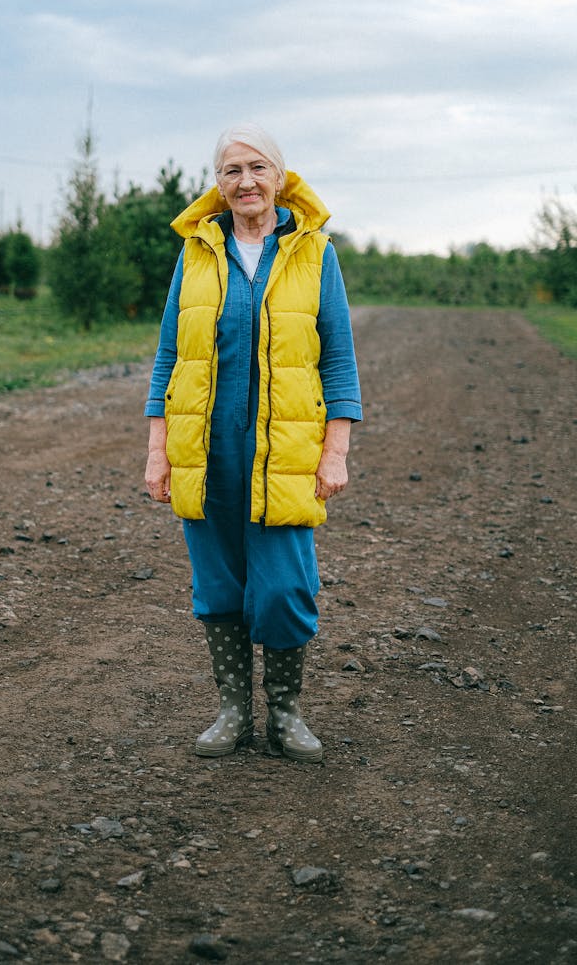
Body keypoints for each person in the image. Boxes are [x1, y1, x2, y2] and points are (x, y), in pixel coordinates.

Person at [144, 123, 362, 763]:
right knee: (218, 583)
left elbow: (340, 361)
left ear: (280, 177)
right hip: (205, 450)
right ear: (218, 184)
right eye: (231, 170)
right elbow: (166, 359)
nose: (245, 182)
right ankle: (234, 712)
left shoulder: (315, 254)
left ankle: (286, 714)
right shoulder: (195, 254)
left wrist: (336, 450)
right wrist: (158, 451)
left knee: (285, 587)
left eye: (257, 168)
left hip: (285, 451)